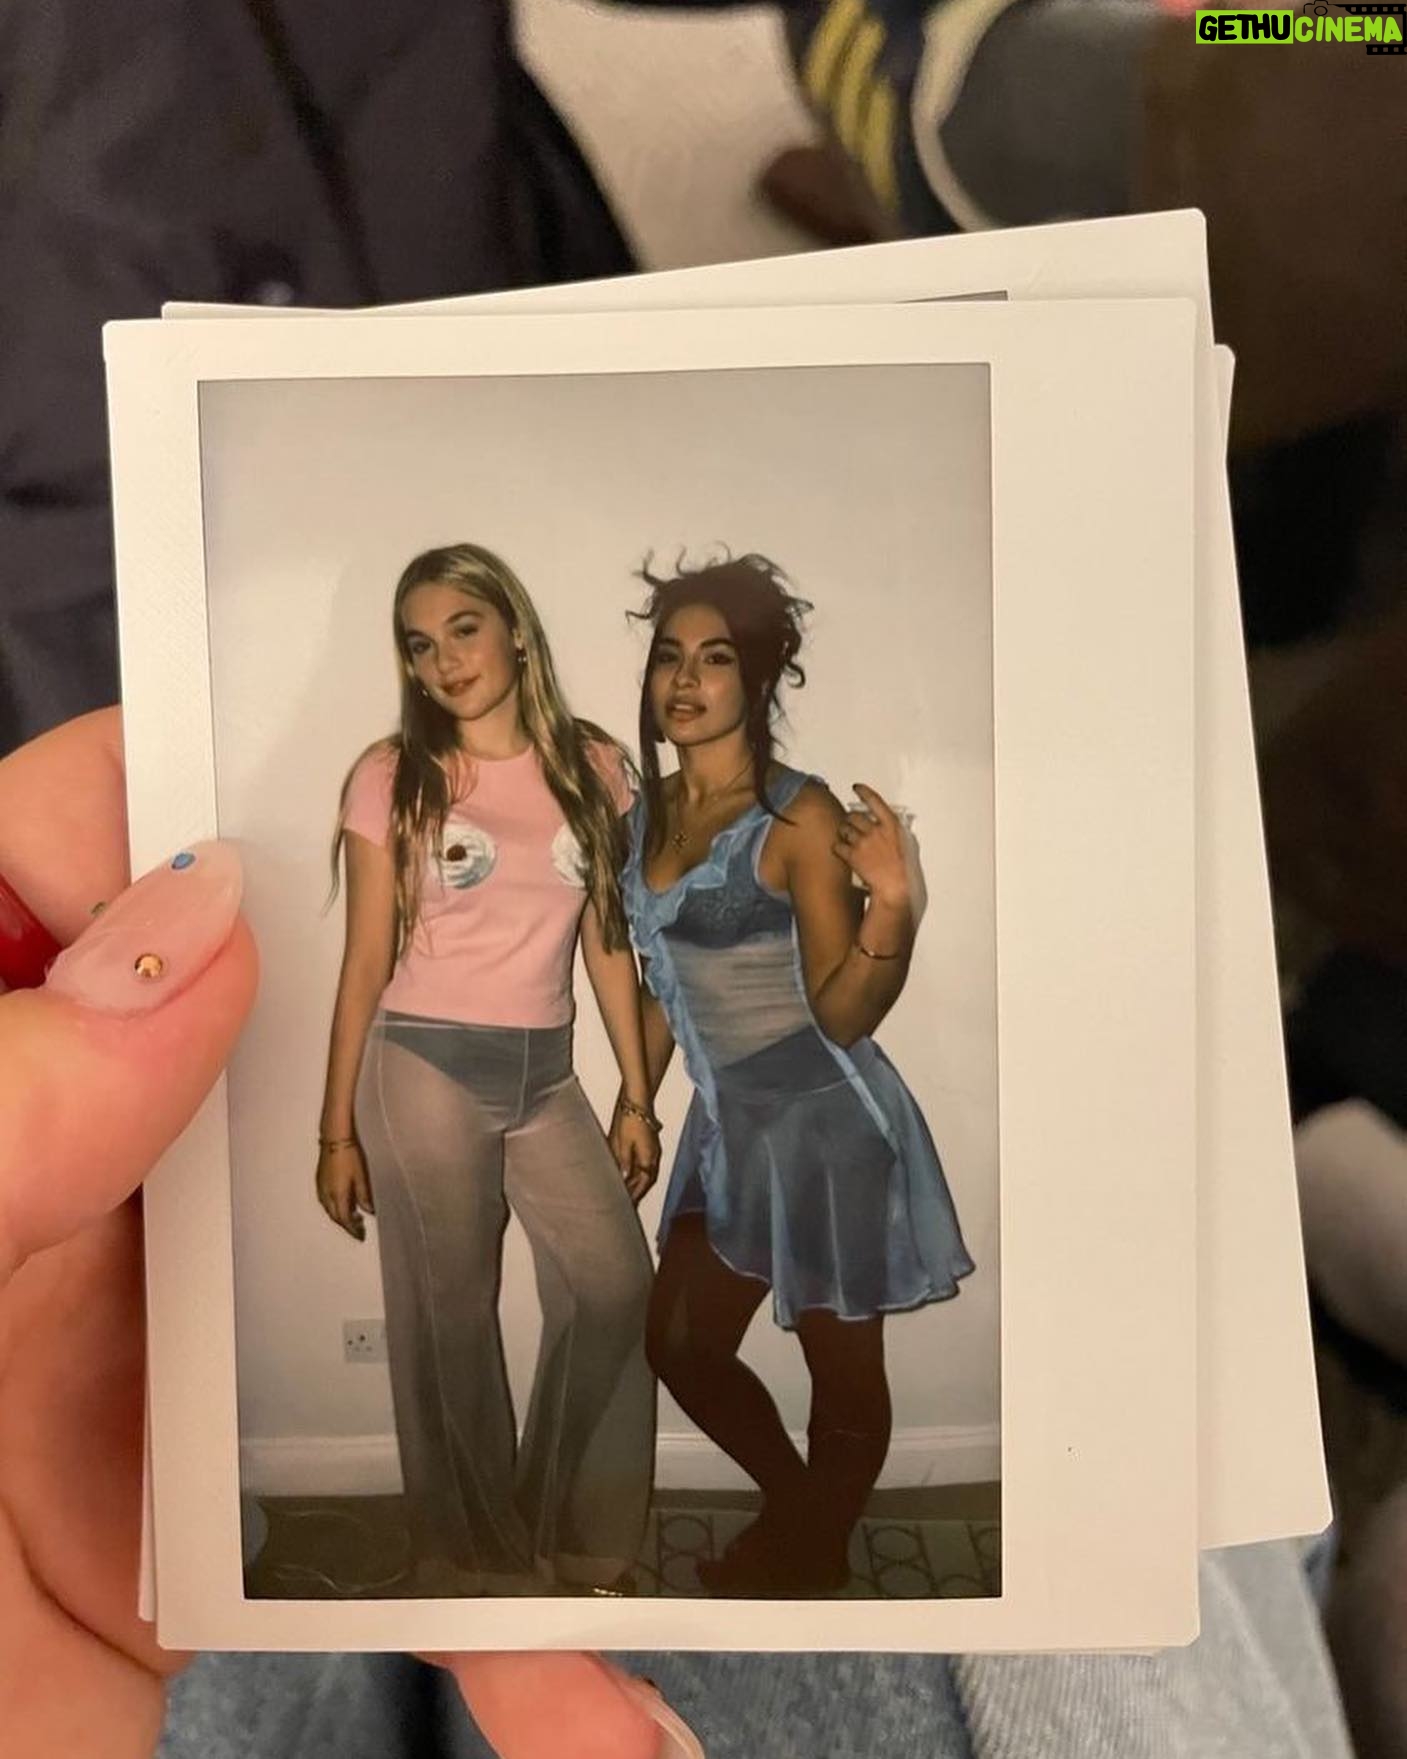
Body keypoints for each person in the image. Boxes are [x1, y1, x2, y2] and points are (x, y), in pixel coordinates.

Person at [620, 554, 973, 1594]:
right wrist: (635, 1103)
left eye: (715, 659)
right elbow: (661, 987)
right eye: (669, 657)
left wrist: (894, 909)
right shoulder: (642, 817)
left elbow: (844, 1012)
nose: (686, 680)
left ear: (759, 676)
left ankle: (809, 1549)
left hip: (827, 1125)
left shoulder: (800, 817)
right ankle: (802, 1513)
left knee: (842, 1369)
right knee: (678, 1343)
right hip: (727, 1126)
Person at [316, 543, 658, 1596]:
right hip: (422, 1066)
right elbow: (364, 958)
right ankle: (468, 1558)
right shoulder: (393, 777)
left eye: (463, 629)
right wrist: (335, 1130)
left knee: (614, 1288)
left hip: (544, 1076)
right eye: (421, 645)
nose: (444, 661)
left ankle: (565, 1530)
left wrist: (637, 1094)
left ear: (513, 627)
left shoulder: (595, 768)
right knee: (450, 1323)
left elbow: (609, 939)